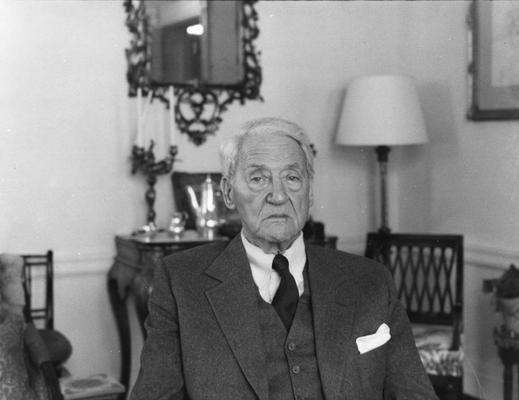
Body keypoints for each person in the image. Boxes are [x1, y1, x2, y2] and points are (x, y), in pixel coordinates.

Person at [130, 117, 437, 400]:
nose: (278, 195)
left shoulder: (370, 280)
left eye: (292, 177)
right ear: (228, 192)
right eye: (258, 179)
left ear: (310, 192)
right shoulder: (181, 281)